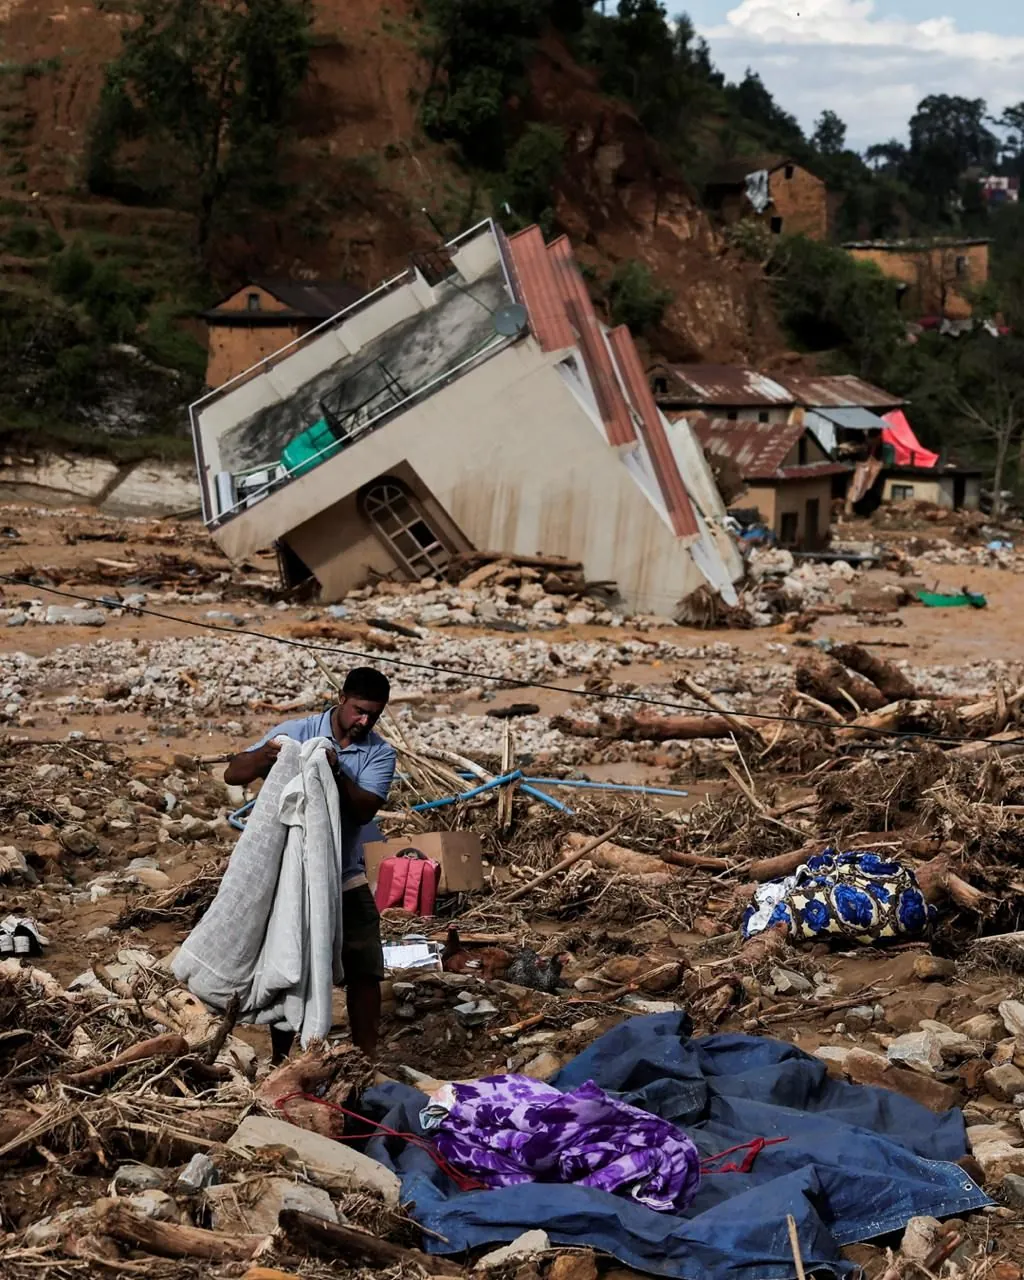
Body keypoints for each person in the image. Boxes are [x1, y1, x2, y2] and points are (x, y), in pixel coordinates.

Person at [223, 666, 396, 1061]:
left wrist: (334, 769)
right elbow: (234, 773)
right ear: (341, 699)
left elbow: (364, 809)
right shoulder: (298, 730)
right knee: (290, 961)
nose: (364, 721)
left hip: (344, 874)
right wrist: (272, 752)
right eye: (358, 710)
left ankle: (366, 1057)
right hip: (290, 876)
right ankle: (283, 1059)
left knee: (365, 968)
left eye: (373, 714)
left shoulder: (380, 753)